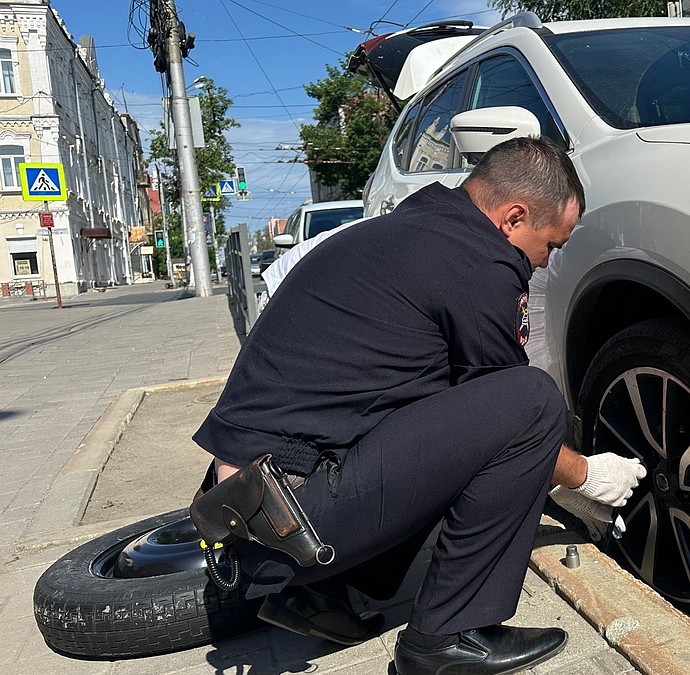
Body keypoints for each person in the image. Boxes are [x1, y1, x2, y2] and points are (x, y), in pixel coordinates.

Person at [192, 136, 645, 674]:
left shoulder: (414, 233)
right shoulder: (477, 263)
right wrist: (588, 475)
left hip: (254, 509)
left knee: (441, 406)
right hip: (292, 521)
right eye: (551, 244)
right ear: (513, 217)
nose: (547, 262)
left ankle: (326, 596)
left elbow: (435, 413)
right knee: (532, 402)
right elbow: (510, 416)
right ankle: (446, 637)